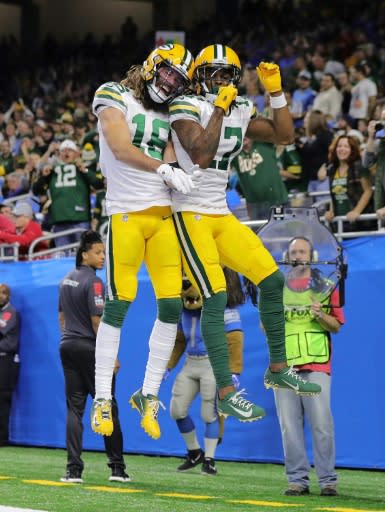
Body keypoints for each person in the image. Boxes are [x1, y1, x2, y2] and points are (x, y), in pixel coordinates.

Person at [168, 44, 321, 423]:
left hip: (219, 212)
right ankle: (224, 392)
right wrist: (219, 106)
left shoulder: (238, 108)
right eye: (213, 73)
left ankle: (277, 368)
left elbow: (283, 135)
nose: (221, 80)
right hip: (189, 213)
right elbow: (201, 153)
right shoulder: (185, 105)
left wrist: (275, 93)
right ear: (199, 75)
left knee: (271, 281)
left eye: (227, 75)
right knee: (215, 298)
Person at [90, 44, 199, 441]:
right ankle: (103, 396)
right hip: (126, 215)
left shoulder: (167, 113)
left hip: (163, 217)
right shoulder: (112, 94)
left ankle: (149, 393)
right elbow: (119, 147)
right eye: (168, 73)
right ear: (152, 66)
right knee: (120, 303)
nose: (170, 83)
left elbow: (171, 155)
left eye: (178, 80)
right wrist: (164, 168)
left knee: (171, 306)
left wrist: (179, 171)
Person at [273, 237, 344, 497]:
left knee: (322, 425)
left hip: (317, 365)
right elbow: (264, 327)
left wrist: (320, 314)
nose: (298, 255)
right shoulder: (277, 287)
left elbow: (336, 326)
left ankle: (327, 481)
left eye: (302, 250)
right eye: (294, 251)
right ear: (287, 255)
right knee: (288, 427)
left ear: (311, 255)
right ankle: (297, 481)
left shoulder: (325, 285)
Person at [59, 230, 129, 483]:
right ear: (84, 253)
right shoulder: (96, 282)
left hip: (67, 346)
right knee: (108, 406)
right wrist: (112, 356)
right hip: (91, 349)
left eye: (104, 252)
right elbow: (97, 322)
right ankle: (117, 469)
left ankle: (73, 470)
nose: (102, 257)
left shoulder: (66, 279)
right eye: (98, 252)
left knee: (74, 410)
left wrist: (70, 337)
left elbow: (62, 318)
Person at [167, 268, 245, 476]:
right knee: (177, 409)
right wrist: (167, 366)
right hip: (191, 362)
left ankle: (209, 460)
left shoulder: (224, 310)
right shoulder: (183, 309)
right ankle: (194, 452)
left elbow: (235, 340)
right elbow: (180, 341)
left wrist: (234, 372)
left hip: (213, 362)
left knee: (208, 413)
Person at [231, 135, 288, 221]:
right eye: (240, 132)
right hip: (254, 206)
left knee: (281, 231)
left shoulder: (264, 144)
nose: (243, 135)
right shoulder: (234, 154)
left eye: (247, 132)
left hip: (277, 201)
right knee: (259, 233)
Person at [323, 135, 374, 231]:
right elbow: (335, 193)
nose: (342, 149)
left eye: (346, 146)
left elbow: (368, 191)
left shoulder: (359, 166)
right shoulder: (332, 169)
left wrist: (356, 212)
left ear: (352, 150)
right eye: (339, 146)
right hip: (339, 222)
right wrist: (331, 211)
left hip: (359, 222)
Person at [0, 283, 20, 446]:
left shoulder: (9, 312)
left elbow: (2, 330)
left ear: (8, 296)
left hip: (6, 360)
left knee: (3, 398)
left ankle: (2, 437)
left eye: (3, 293)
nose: (0, 295)